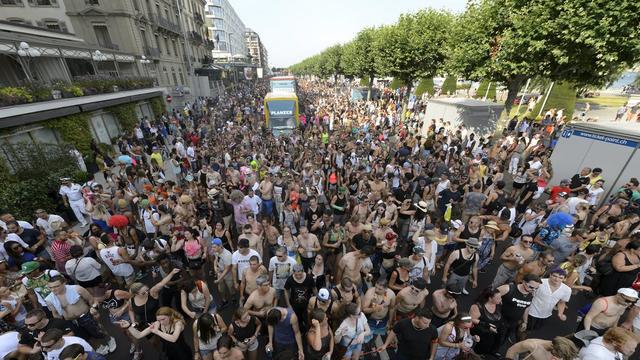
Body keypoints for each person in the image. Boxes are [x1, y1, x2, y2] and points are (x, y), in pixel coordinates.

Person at [44, 275, 116, 355]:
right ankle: (99, 347)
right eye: (50, 287)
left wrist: (95, 310)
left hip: (85, 315)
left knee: (98, 331)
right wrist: (62, 326)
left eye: (56, 286)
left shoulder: (76, 289)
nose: (53, 289)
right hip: (71, 321)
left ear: (64, 283)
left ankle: (109, 339)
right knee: (84, 337)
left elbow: (91, 299)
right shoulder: (49, 299)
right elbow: (56, 313)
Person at [117, 307, 193, 360]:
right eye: (159, 320)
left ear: (170, 316)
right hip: (169, 351)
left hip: (181, 350)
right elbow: (139, 335)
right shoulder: (158, 323)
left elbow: (173, 339)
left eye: (163, 319)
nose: (161, 322)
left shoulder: (177, 323)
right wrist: (129, 326)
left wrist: (156, 331)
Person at [496, 274, 541, 343]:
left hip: (513, 323)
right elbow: (489, 298)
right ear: (523, 282)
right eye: (531, 287)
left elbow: (526, 308)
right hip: (499, 320)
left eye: (536, 288)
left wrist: (525, 322)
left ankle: (494, 351)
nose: (533, 290)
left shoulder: (531, 294)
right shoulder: (507, 289)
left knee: (503, 339)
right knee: (494, 337)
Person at [362, 278, 396, 343]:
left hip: (383, 320)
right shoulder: (370, 292)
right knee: (366, 335)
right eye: (376, 287)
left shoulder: (391, 294)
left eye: (380, 289)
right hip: (371, 320)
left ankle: (372, 344)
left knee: (376, 333)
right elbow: (364, 310)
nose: (376, 290)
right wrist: (375, 308)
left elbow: (392, 308)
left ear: (386, 289)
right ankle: (364, 346)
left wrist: (389, 321)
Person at [284, 263, 316, 331]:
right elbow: (286, 290)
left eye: (300, 274)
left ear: (303, 271)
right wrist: (288, 304)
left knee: (308, 320)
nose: (298, 276)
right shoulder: (290, 279)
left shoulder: (309, 278)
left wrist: (316, 300)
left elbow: (314, 288)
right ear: (293, 272)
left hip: (307, 305)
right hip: (295, 305)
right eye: (296, 275)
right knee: (297, 321)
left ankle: (308, 332)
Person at [505, 336, 578, 360]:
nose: (560, 358)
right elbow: (511, 350)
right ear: (553, 347)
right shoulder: (532, 345)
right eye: (559, 356)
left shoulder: (561, 347)